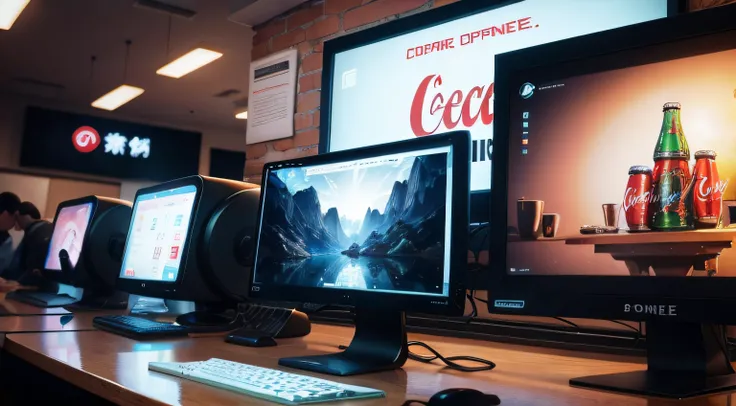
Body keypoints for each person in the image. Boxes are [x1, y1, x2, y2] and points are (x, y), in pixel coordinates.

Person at [4, 202, 51, 283]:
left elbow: (26, 264)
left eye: (17, 217)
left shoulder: (35, 232)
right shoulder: (47, 228)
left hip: (33, 286)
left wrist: (13, 282)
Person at [0, 192, 21, 272]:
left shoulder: (6, 238)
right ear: (5, 214)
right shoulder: (6, 240)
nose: (15, 222)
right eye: (15, 218)